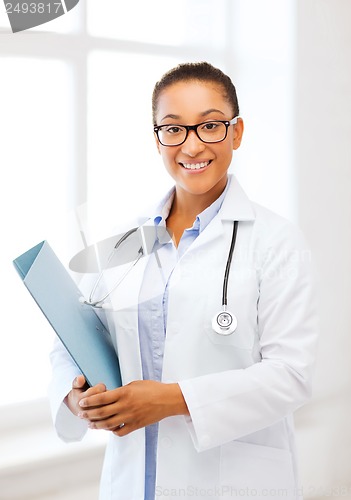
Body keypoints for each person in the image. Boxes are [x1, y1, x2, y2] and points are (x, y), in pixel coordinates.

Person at [49, 62, 318, 500]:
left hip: (233, 479)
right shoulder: (126, 242)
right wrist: (74, 396)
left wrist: (172, 399)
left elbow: (291, 375)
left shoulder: (277, 240)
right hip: (137, 478)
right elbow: (71, 342)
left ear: (236, 132)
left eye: (210, 125)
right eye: (173, 129)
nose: (192, 145)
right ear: (156, 139)